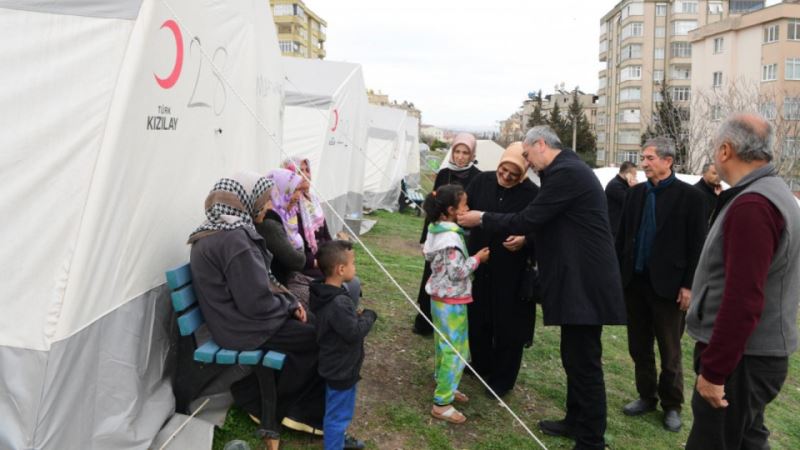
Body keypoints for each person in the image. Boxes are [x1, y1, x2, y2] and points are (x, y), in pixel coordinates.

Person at [458, 126, 625, 450]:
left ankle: (591, 440)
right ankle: (575, 420)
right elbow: (551, 223)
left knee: (585, 363)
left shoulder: (567, 173)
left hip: (585, 282)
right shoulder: (565, 171)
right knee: (573, 357)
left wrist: (482, 218)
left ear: (540, 144)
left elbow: (528, 217)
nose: (527, 162)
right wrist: (529, 236)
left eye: (527, 155)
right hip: (576, 280)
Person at [685, 114, 800, 450]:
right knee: (747, 439)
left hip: (742, 361)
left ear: (725, 150)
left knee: (714, 442)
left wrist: (715, 371)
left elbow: (743, 299)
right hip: (751, 357)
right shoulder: (772, 194)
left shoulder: (754, 204)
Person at [188, 173, 324, 449]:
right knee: (320, 337)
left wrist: (290, 302)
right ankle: (270, 404)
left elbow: (257, 288)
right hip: (244, 328)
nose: (264, 208)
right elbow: (256, 302)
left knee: (312, 330)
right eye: (261, 203)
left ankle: (265, 400)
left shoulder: (213, 232)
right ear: (243, 202)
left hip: (234, 322)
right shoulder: (233, 240)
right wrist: (288, 306)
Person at [615, 137, 707, 432]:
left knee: (670, 351)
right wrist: (618, 276)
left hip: (669, 288)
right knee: (639, 347)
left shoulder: (690, 197)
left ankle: (672, 406)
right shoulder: (635, 194)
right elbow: (622, 237)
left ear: (668, 161)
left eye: (650, 158)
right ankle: (646, 396)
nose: (644, 163)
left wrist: (689, 286)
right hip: (635, 284)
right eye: (643, 158)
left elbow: (698, 246)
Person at [464, 142, 539, 397]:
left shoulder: (533, 195)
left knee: (508, 325)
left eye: (513, 174)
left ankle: (502, 379)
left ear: (525, 172)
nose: (506, 177)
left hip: (512, 269)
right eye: (502, 171)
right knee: (478, 317)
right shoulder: (481, 182)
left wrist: (525, 240)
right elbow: (463, 207)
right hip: (479, 263)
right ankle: (481, 364)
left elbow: (542, 229)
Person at [422, 184, 490, 424]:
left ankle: (445, 383)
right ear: (451, 210)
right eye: (465, 205)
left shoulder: (436, 229)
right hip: (451, 300)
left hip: (439, 298)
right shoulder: (451, 239)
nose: (468, 208)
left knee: (444, 344)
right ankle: (442, 402)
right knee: (456, 350)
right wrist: (477, 259)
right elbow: (457, 272)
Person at [310, 240, 377, 450]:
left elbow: (341, 324)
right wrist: (369, 316)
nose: (354, 267)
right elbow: (353, 332)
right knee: (338, 415)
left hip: (335, 364)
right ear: (340, 269)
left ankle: (337, 440)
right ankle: (334, 445)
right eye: (353, 263)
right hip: (342, 368)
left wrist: (352, 317)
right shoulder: (339, 302)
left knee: (337, 411)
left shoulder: (324, 293)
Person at [413, 132, 481, 336]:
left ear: (472, 154)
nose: (460, 156)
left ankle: (450, 320)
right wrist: (426, 237)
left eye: (465, 152)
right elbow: (433, 206)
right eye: (457, 151)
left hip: (461, 233)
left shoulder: (477, 176)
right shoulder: (444, 173)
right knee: (433, 274)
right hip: (439, 231)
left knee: (455, 276)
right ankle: (425, 321)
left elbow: (475, 206)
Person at [282, 158, 362, 307]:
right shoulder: (289, 208)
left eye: (307, 170)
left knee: (353, 282)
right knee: (344, 284)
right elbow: (294, 250)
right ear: (289, 176)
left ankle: (348, 316)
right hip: (305, 266)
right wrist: (322, 262)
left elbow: (327, 236)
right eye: (300, 171)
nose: (306, 175)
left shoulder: (314, 203)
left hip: (323, 261)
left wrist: (334, 256)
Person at [605, 161, 638, 236]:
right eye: (634, 174)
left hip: (620, 226)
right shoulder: (615, 186)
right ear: (627, 174)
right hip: (614, 228)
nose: (635, 177)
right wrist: (635, 187)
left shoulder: (624, 184)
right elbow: (631, 202)